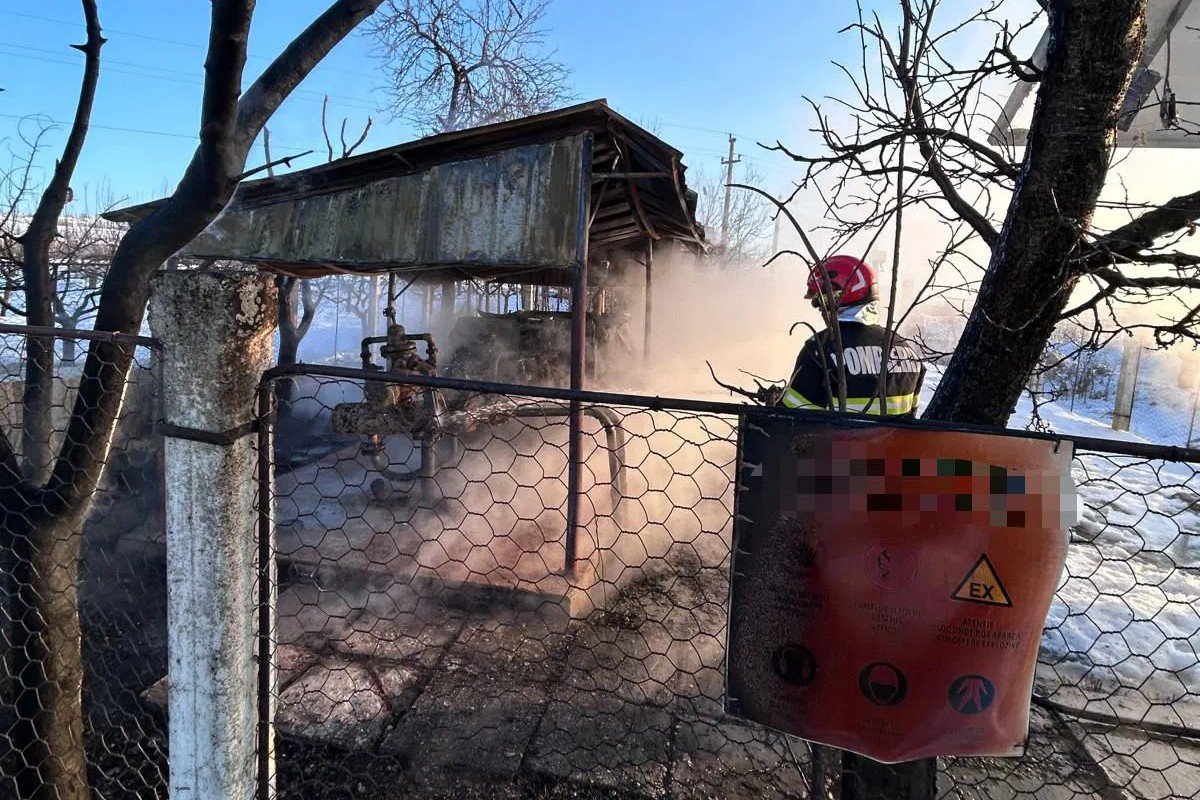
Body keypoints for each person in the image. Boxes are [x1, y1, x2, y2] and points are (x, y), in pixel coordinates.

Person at [778, 255, 926, 416]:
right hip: (895, 442)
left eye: (821, 301)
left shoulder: (819, 350)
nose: (819, 308)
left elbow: (792, 421)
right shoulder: (908, 351)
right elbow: (911, 417)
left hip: (839, 442)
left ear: (836, 297)